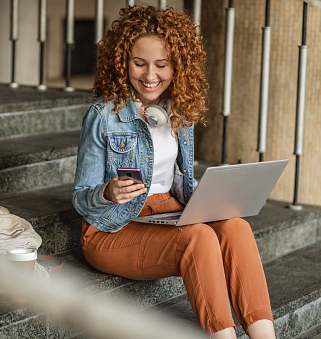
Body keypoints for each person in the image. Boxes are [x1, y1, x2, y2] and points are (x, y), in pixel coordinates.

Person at [71, 6, 276, 339]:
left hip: (167, 211)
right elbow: (82, 198)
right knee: (199, 238)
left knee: (236, 227)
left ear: (176, 65)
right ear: (123, 62)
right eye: (139, 63)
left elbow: (176, 177)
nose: (150, 76)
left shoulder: (179, 110)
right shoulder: (104, 115)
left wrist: (211, 196)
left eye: (162, 65)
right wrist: (106, 192)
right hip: (112, 228)